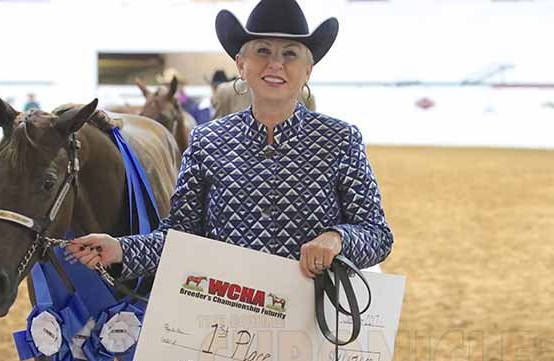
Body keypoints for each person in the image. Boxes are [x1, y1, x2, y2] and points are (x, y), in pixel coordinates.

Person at [66, 0, 393, 281]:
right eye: (262, 50)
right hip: (225, 319)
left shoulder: (339, 140)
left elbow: (377, 235)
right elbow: (179, 239)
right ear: (241, 65)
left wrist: (338, 238)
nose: (275, 63)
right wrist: (121, 249)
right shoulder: (207, 141)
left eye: (290, 53)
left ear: (307, 71)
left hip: (311, 319)